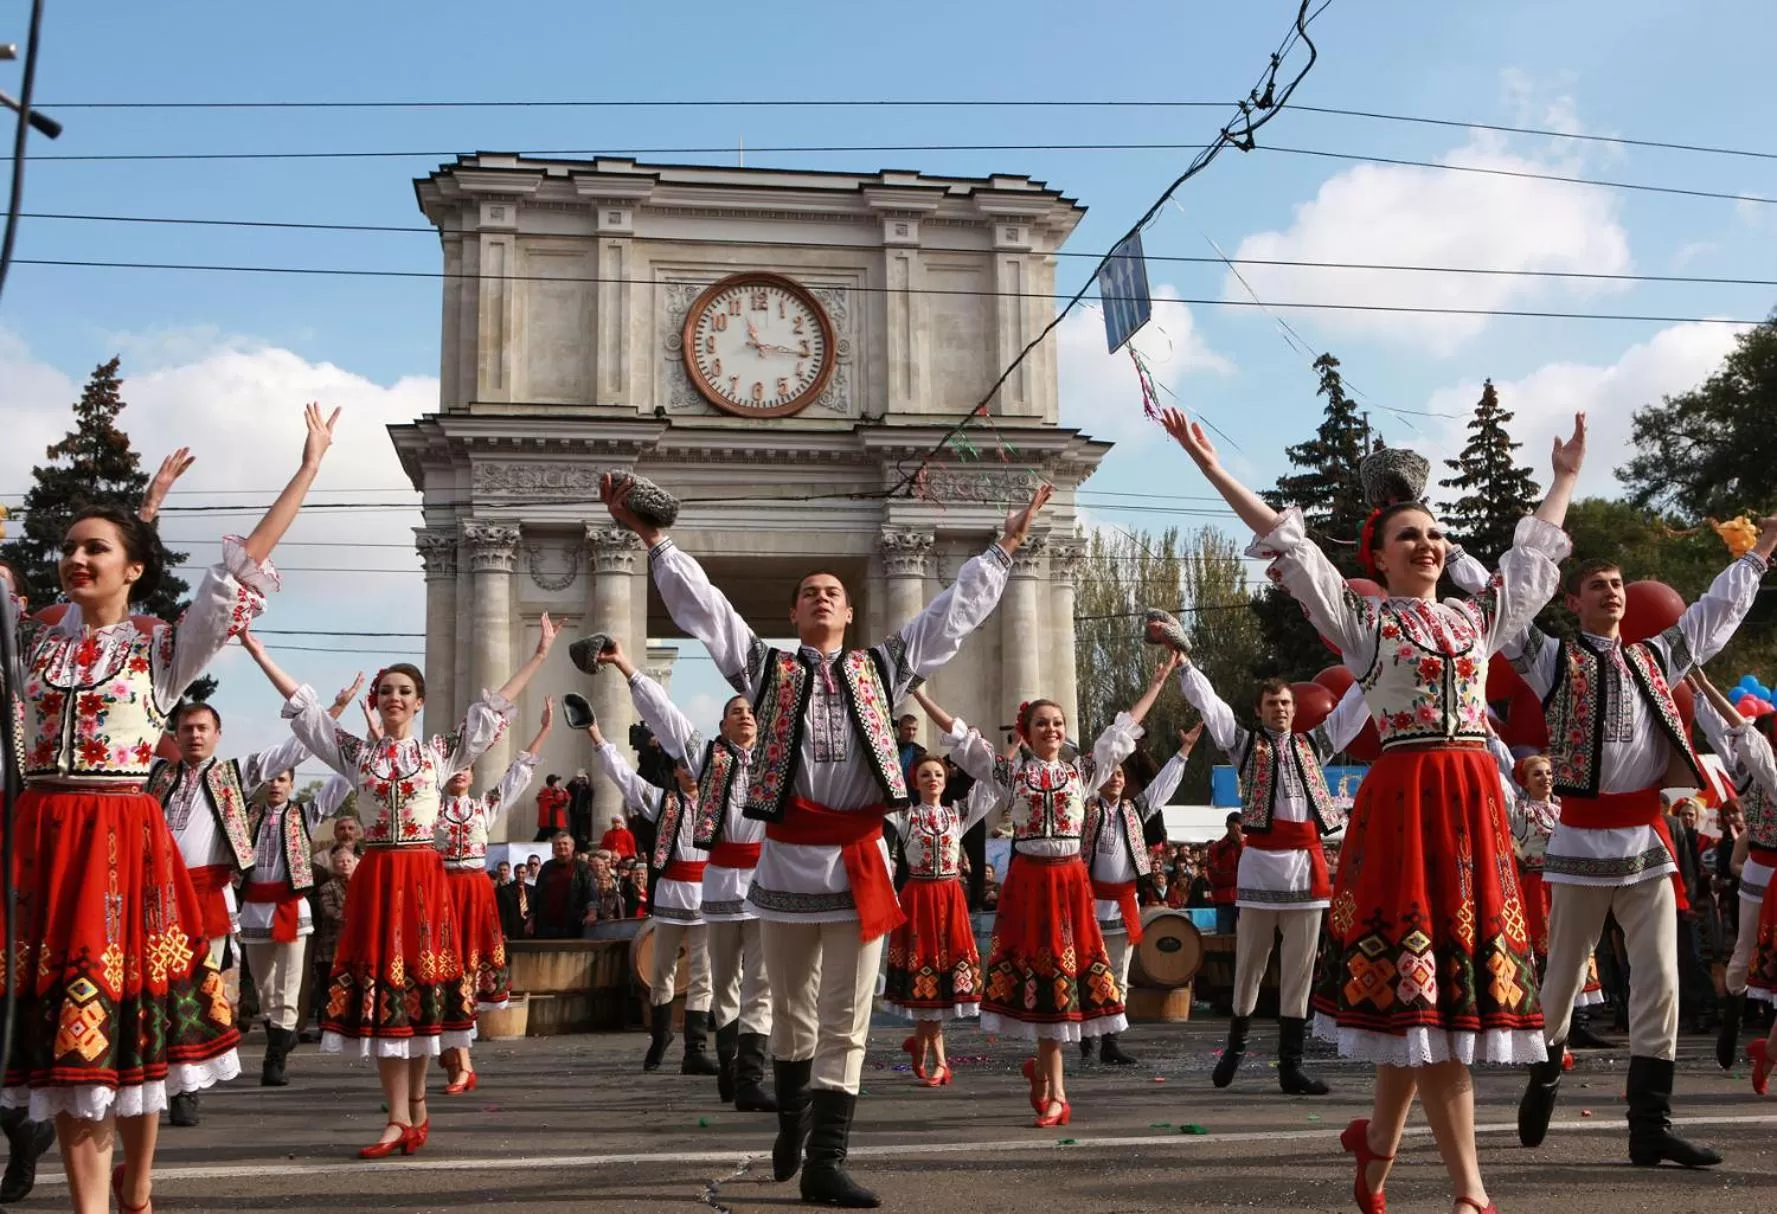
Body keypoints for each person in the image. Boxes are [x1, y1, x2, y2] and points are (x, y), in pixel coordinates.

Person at [1165, 404, 1584, 1214]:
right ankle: (1470, 1190)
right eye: (1408, 538)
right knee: (1426, 1001)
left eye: (1434, 535)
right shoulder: (1364, 625)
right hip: (1407, 805)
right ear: (1380, 559)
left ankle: (1377, 1148)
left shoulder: (1475, 619)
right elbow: (1290, 547)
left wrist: (1562, 478)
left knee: (1419, 1010)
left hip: (1469, 808)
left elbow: (1529, 568)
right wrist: (1210, 467)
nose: (1427, 545)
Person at [604, 471, 1050, 1209]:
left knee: (849, 1016)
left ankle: (825, 1161)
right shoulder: (765, 670)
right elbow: (706, 612)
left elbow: (950, 617)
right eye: (808, 591)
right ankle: (791, 1119)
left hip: (859, 863)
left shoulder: (883, 668)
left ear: (849, 613)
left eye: (832, 592)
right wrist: (656, 540)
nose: (820, 597)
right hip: (783, 863)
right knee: (789, 1008)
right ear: (791, 612)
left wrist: (1002, 548)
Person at [2, 409, 338, 1214]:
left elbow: (245, 565)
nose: (75, 557)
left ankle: (138, 1182)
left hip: (122, 842)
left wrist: (308, 470)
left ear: (134, 570)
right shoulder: (33, 642)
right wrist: (141, 507)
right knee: (65, 1042)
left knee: (133, 1029)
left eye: (96, 548)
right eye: (69, 547)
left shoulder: (161, 648)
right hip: (43, 840)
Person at [1503, 514, 1776, 1170]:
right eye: (1595, 585)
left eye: (1617, 584)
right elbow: (1508, 620)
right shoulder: (1552, 660)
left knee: (1660, 985)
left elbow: (1714, 612)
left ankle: (1649, 1128)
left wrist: (1763, 550)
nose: (1610, 592)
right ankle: (1543, 1076)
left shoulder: (1656, 657)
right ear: (1572, 602)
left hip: (1644, 841)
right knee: (1562, 979)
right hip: (1576, 840)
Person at [253, 616, 556, 1159]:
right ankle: (399, 1116)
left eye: (405, 691)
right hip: (377, 879)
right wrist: (254, 646)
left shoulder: (439, 753)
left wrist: (538, 656)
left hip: (422, 881)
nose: (394, 698)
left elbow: (489, 714)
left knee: (417, 998)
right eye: (386, 690)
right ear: (378, 700)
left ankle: (415, 1106)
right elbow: (308, 713)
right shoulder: (356, 755)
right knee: (385, 999)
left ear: (419, 703)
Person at [920, 657, 1176, 1128]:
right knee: (1041, 979)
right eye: (1042, 723)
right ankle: (1050, 1080)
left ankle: (1051, 1082)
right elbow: (960, 736)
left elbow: (1124, 731)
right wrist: (917, 693)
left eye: (1057, 723)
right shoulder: (1010, 774)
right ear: (1028, 731)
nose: (1051, 730)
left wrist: (1156, 683)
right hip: (1029, 884)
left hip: (1070, 883)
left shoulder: (1083, 772)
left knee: (1064, 978)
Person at [593, 638, 775, 1112]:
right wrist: (628, 667)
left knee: (760, 981)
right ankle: (720, 1060)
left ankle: (748, 1074)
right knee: (719, 982)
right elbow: (666, 716)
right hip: (712, 888)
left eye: (750, 709)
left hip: (764, 885)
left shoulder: (779, 759)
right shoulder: (707, 759)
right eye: (735, 710)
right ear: (721, 725)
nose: (745, 714)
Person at [1178, 668, 1370, 1097]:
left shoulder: (1313, 745)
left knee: (1301, 970)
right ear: (1259, 710)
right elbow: (1214, 710)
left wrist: (1374, 666)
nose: (1279, 710)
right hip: (1262, 864)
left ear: (1294, 709)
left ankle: (1291, 1065)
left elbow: (1351, 713)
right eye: (1271, 704)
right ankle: (1235, 1047)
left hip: (1305, 866)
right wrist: (1188, 667)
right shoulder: (1246, 745)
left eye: (1285, 703)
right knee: (1250, 962)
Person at [586, 713, 719, 1078]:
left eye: (695, 766)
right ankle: (660, 1037)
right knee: (662, 971)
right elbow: (625, 779)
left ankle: (696, 1048)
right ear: (674, 771)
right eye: (683, 766)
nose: (691, 771)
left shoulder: (716, 804)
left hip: (707, 897)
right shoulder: (664, 802)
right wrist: (597, 736)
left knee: (703, 975)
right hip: (672, 896)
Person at [433, 700, 553, 1094]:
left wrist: (543, 732)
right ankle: (454, 1056)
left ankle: (459, 1058)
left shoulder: (484, 807)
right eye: (455, 770)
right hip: (442, 891)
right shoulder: (431, 811)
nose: (461, 776)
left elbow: (517, 776)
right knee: (440, 970)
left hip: (474, 893)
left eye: (466, 769)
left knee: (466, 969)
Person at [1077, 722, 1198, 1066]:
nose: (1115, 777)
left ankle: (1111, 1040)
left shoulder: (1134, 810)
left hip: (1125, 902)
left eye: (1120, 773)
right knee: (1088, 971)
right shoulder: (1085, 810)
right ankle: (1087, 1034)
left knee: (1119, 974)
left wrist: (1184, 751)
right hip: (1090, 903)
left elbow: (1162, 788)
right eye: (1109, 772)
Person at [880, 745, 1002, 1087]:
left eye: (937, 774)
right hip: (918, 899)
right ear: (914, 782)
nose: (932, 779)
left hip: (949, 901)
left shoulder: (957, 815)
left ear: (946, 780)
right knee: (926, 987)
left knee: (938, 990)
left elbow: (990, 786)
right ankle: (939, 1061)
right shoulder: (906, 816)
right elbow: (876, 795)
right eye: (925, 775)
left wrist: (993, 750)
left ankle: (922, 1049)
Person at [1480, 739, 1612, 1053]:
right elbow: (1500, 773)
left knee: (1578, 948)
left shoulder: (1565, 809)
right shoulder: (1521, 812)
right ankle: (1540, 1021)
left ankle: (1578, 1022)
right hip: (1538, 887)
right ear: (1525, 781)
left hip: (1567, 884)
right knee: (1545, 951)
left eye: (1549, 773)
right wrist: (1488, 739)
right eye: (1537, 774)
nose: (1546, 778)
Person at [1693, 669, 1777, 1074]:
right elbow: (1732, 732)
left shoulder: (1763, 772)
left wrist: (1704, 692)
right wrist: (1703, 692)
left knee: (1750, 953)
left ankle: (1755, 1033)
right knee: (1744, 951)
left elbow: (1738, 733)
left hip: (1764, 870)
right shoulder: (1759, 773)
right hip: (1762, 868)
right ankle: (1733, 1020)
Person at [529, 833, 594, 939]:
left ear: (572, 847)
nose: (561, 846)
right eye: (558, 844)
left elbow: (590, 892)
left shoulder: (582, 867)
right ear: (553, 848)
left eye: (565, 843)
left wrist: (592, 913)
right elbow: (537, 895)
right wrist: (531, 920)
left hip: (574, 924)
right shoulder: (546, 867)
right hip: (547, 926)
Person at [1205, 813, 1243, 935]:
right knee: (1224, 938)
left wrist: (1241, 844)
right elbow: (1215, 877)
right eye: (1232, 827)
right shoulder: (1215, 848)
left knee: (1248, 938)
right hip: (1224, 900)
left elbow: (1255, 871)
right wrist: (1241, 878)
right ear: (1227, 826)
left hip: (1246, 900)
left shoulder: (1249, 846)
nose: (1235, 831)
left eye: (1238, 828)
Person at [533, 773, 569, 841]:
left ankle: (532, 850)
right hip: (553, 822)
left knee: (540, 840)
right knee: (559, 840)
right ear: (554, 783)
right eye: (557, 782)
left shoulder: (543, 792)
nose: (559, 783)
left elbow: (539, 799)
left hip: (545, 822)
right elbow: (563, 802)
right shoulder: (557, 793)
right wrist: (565, 792)